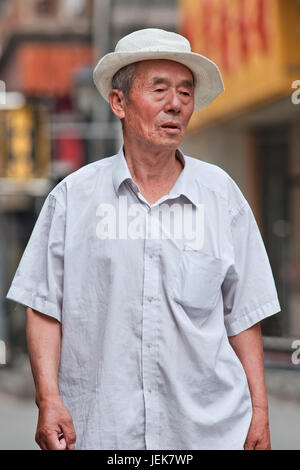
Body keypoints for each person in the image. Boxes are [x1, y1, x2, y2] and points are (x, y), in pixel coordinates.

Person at [6, 28, 281, 450]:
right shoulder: (72, 199)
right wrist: (48, 399)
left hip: (208, 432)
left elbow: (244, 313)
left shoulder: (221, 195)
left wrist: (260, 414)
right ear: (119, 102)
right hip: (101, 429)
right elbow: (43, 306)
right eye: (160, 89)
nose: (175, 104)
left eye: (185, 93)